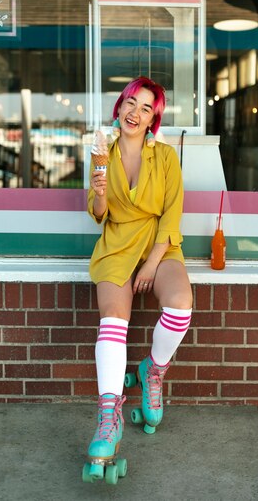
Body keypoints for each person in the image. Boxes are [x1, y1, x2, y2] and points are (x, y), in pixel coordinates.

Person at [84, 76, 193, 481]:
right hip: (116, 245)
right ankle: (108, 419)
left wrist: (151, 264)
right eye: (131, 102)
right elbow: (99, 213)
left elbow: (171, 214)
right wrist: (98, 192)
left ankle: (153, 370)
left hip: (158, 244)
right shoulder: (102, 152)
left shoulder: (164, 157)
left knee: (180, 304)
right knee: (113, 320)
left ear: (153, 119)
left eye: (146, 108)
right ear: (120, 106)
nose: (135, 112)